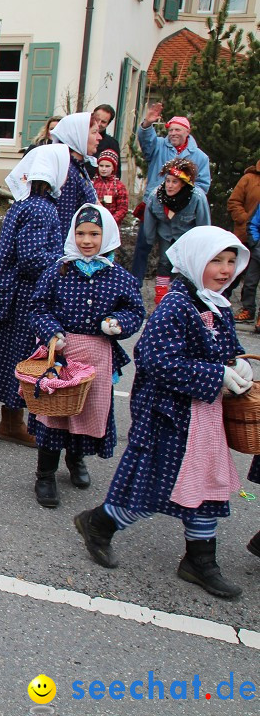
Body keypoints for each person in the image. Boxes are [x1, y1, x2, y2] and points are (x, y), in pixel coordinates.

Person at [74, 226, 250, 600]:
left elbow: (228, 348)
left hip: (201, 414)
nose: (224, 269)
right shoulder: (176, 306)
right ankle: (99, 524)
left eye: (231, 261)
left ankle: (200, 560)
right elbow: (155, 361)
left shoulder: (216, 304)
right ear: (195, 260)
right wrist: (216, 374)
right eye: (216, 260)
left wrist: (238, 363)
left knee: (205, 484)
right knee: (155, 488)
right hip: (167, 415)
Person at [27, 204, 145, 508]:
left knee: (84, 411)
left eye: (94, 233)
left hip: (97, 357)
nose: (87, 240)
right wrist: (52, 331)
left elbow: (135, 310)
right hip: (62, 356)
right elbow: (38, 307)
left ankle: (76, 460)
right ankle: (45, 473)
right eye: (80, 233)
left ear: (106, 236)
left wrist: (119, 323)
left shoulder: (118, 276)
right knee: (56, 412)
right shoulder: (59, 270)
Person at [0, 144, 71, 447]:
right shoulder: (41, 208)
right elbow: (32, 258)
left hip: (9, 292)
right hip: (21, 296)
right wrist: (62, 263)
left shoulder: (26, 204)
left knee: (13, 355)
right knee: (16, 358)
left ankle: (12, 422)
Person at [131, 104, 211, 281]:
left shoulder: (200, 156)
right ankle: (133, 285)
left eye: (177, 130)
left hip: (182, 211)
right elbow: (146, 142)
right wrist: (147, 124)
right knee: (143, 245)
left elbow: (203, 185)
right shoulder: (159, 146)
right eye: (171, 129)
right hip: (154, 205)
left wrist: (184, 197)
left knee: (176, 254)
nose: (173, 133)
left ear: (187, 132)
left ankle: (178, 289)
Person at [142, 158, 211, 305]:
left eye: (174, 182)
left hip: (187, 236)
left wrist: (203, 244)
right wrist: (149, 238)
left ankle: (181, 294)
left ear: (183, 183)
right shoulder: (156, 196)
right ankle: (160, 295)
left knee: (184, 266)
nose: (169, 185)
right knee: (164, 262)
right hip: (166, 234)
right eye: (167, 181)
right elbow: (149, 217)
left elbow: (204, 224)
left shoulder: (196, 197)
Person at [48, 112, 100, 235]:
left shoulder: (78, 166)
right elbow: (65, 222)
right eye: (94, 132)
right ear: (78, 136)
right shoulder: (68, 172)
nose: (99, 137)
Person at [226, 157, 260, 323]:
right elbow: (234, 202)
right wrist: (247, 220)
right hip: (245, 236)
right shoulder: (249, 178)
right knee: (234, 273)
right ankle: (221, 304)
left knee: (252, 278)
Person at [91, 150, 127, 226]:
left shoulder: (119, 186)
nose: (103, 169)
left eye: (107, 166)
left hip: (110, 223)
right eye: (101, 166)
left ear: (113, 167)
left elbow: (122, 208)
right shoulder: (92, 183)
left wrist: (111, 220)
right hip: (92, 222)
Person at [89, 104, 121, 177]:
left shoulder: (112, 144)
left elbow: (116, 173)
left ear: (108, 124)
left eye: (103, 122)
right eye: (97, 120)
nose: (98, 124)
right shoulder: (80, 138)